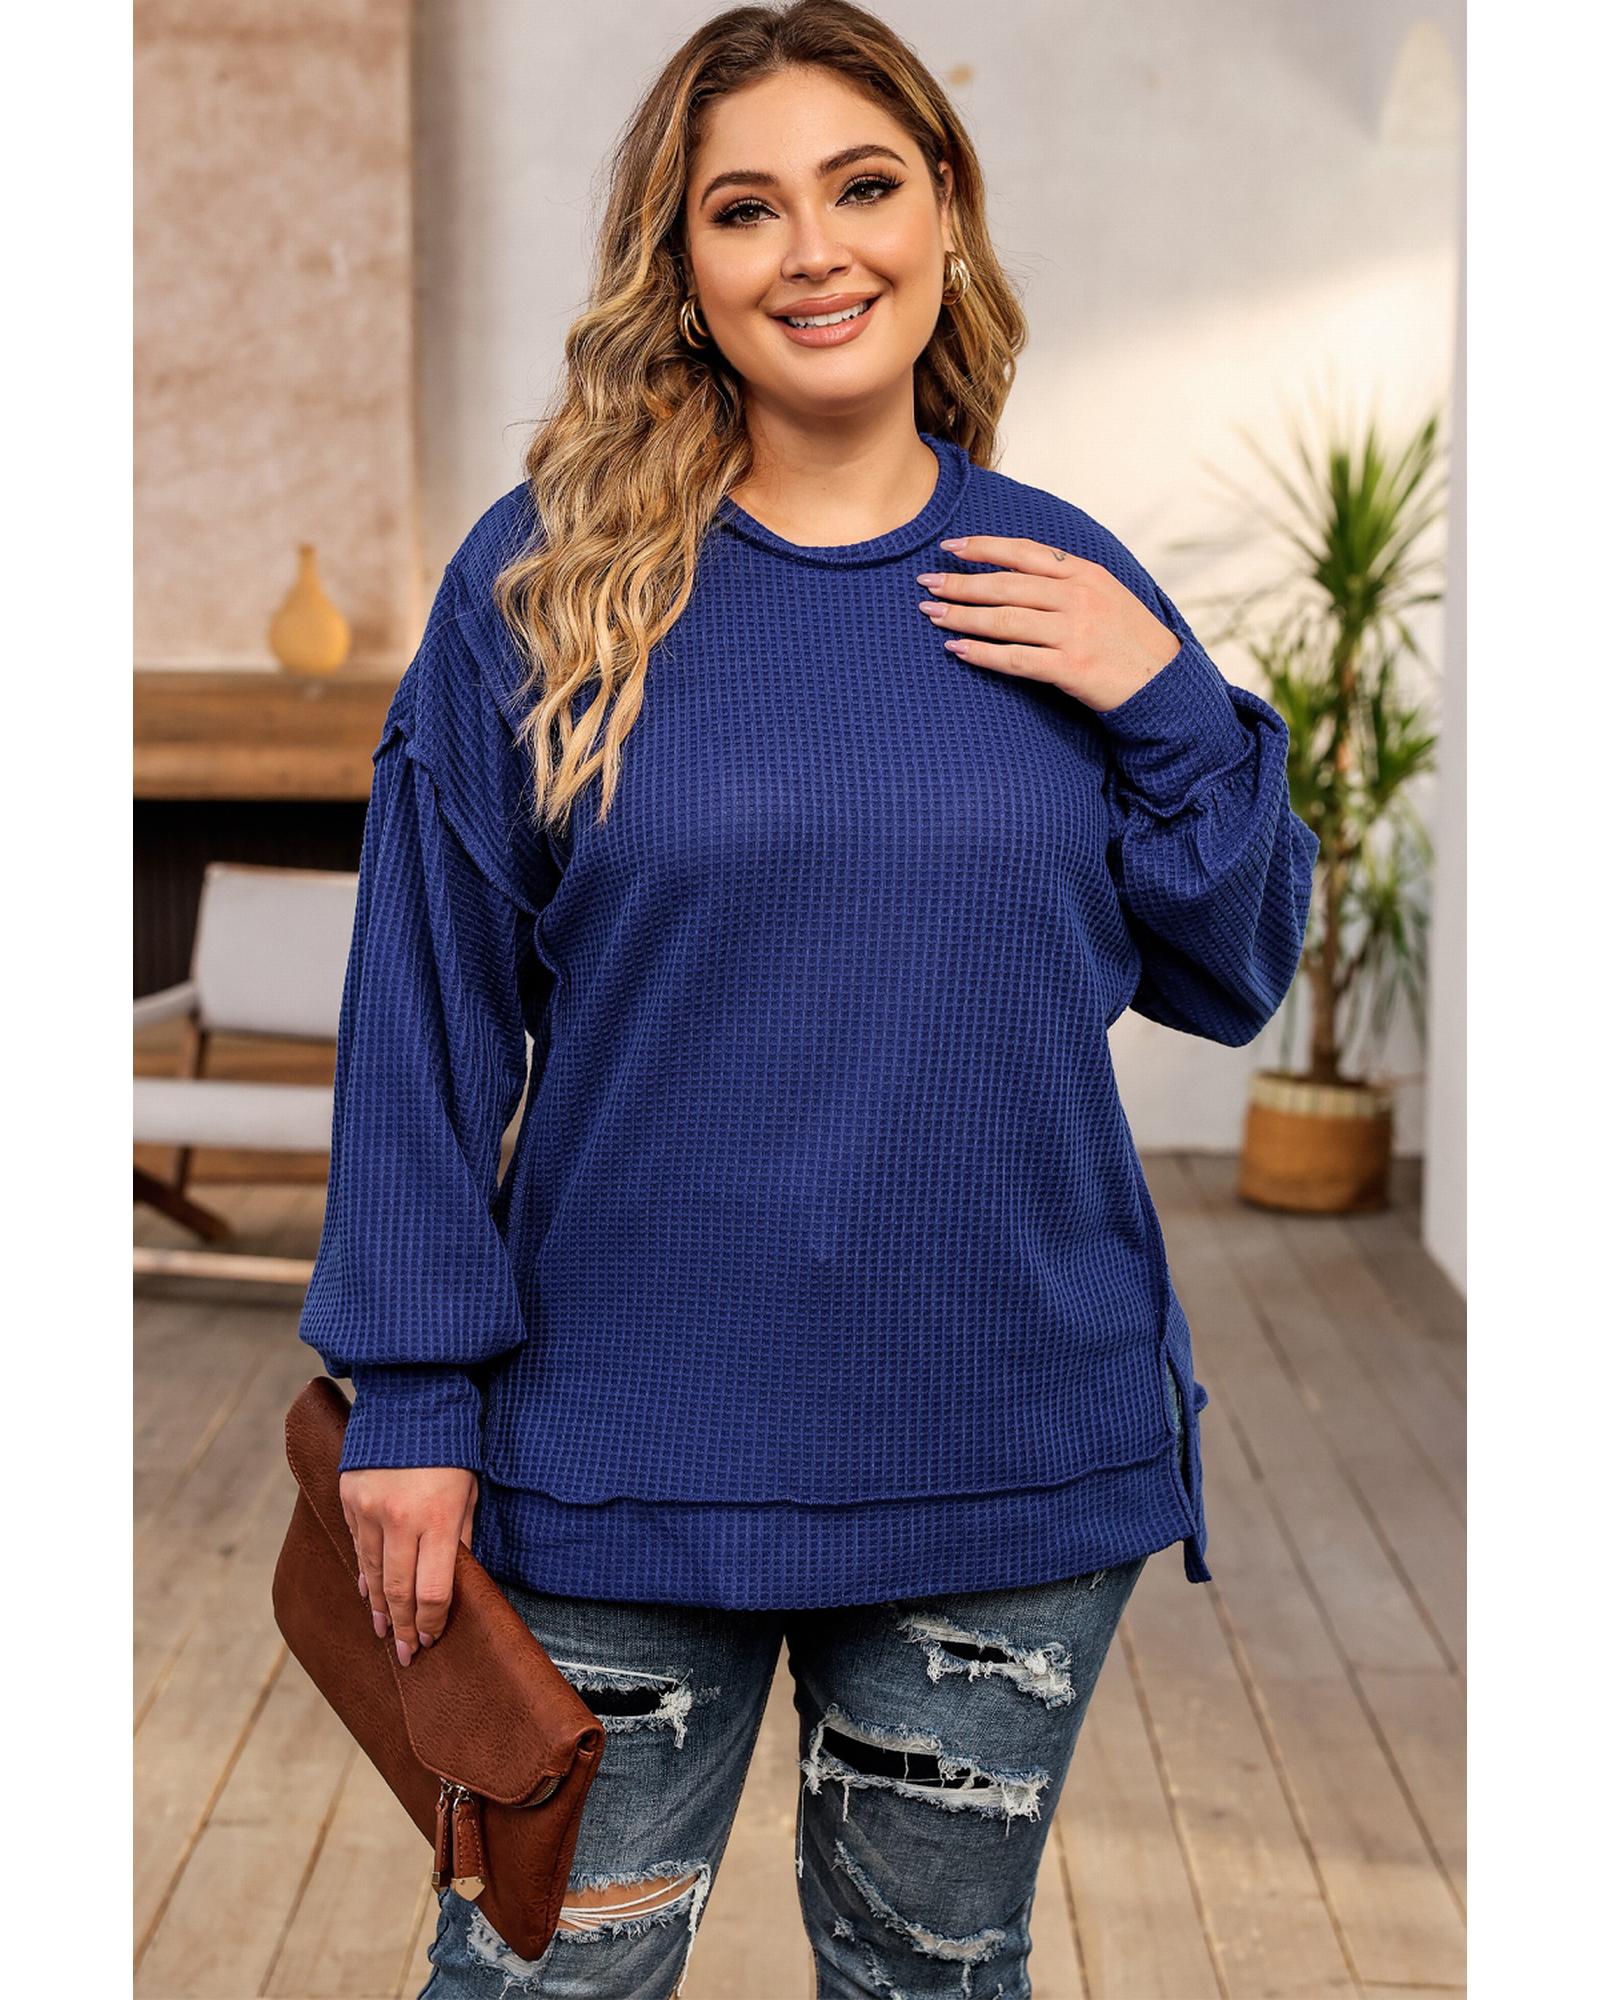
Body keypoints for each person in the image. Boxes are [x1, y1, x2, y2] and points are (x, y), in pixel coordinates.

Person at [298, 4, 1319, 1994]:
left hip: (1003, 1452)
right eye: (745, 208)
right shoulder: (548, 588)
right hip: (615, 1452)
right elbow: (422, 1009)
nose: (815, 250)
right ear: (679, 266)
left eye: (862, 186)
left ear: (943, 213)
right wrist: (409, 1388)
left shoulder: (1061, 583)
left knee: (931, 1972)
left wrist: (1171, 702)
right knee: (538, 1977)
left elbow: (1234, 966)